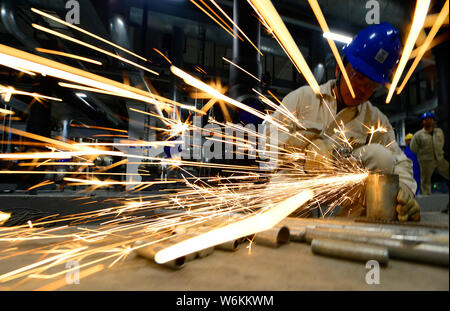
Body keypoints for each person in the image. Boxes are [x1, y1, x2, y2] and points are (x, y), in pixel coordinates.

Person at [268, 22, 419, 221]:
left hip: (345, 196)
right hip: (302, 183)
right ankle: (299, 229)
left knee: (381, 156)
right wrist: (306, 148)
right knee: (278, 189)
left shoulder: (375, 119)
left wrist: (405, 190)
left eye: (372, 86)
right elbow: (270, 139)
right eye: (359, 78)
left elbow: (399, 162)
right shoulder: (302, 98)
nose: (363, 90)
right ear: (340, 69)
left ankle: (346, 227)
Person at [410, 112, 449, 195]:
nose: (428, 121)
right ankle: (427, 198)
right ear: (422, 122)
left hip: (440, 159)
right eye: (426, 120)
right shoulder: (418, 135)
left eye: (430, 119)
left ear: (433, 121)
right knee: (425, 181)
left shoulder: (439, 132)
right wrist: (423, 155)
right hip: (426, 161)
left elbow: (442, 142)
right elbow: (413, 148)